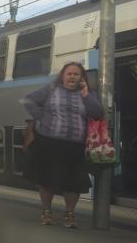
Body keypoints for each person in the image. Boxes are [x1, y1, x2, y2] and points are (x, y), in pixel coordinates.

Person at [22, 62, 104, 228]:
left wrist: (86, 95)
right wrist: (42, 117)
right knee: (46, 179)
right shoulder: (51, 89)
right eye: (69, 74)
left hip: (76, 144)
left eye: (76, 74)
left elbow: (98, 113)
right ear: (63, 76)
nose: (72, 77)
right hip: (50, 141)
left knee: (74, 182)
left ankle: (69, 214)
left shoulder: (88, 93)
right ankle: (46, 211)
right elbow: (28, 100)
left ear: (82, 78)